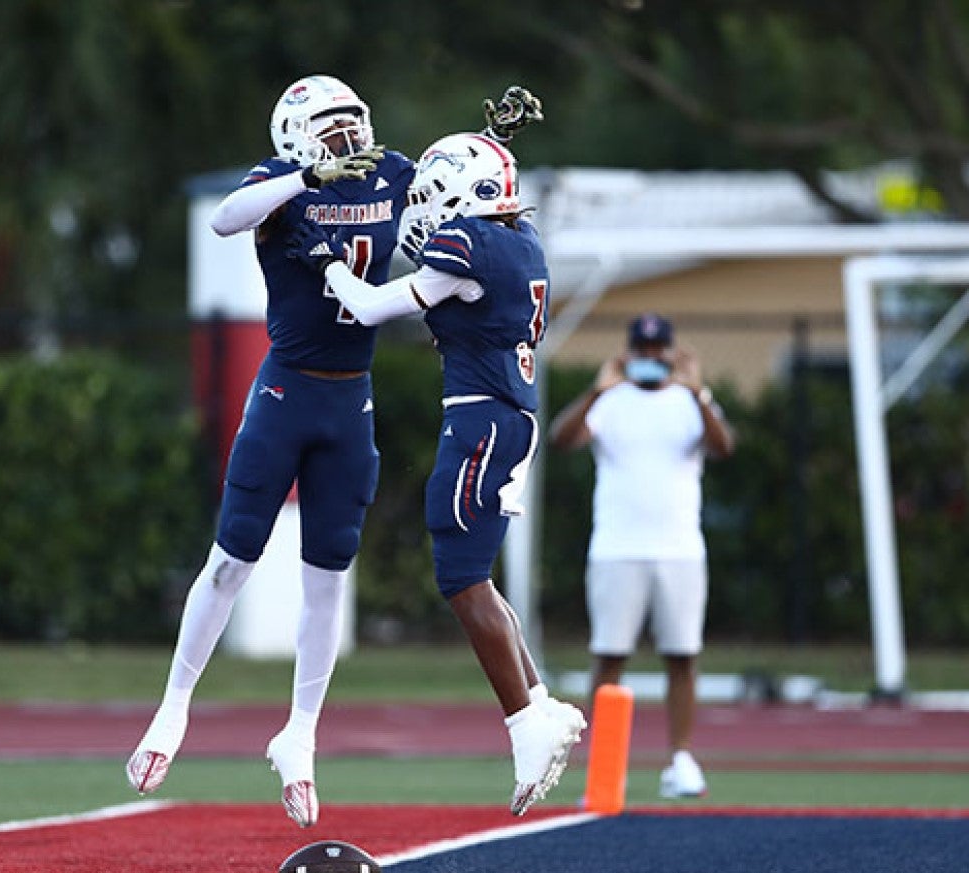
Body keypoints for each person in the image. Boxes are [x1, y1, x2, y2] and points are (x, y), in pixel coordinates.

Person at [126, 75, 545, 828]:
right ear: (293, 134)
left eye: (353, 121)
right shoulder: (278, 182)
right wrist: (303, 178)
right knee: (231, 561)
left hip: (352, 399)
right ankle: (174, 707)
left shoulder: (386, 171)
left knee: (327, 581)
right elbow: (226, 218)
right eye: (330, 126)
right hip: (284, 392)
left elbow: (450, 190)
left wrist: (493, 149)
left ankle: (301, 737)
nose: (348, 137)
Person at [285, 130, 586, 817]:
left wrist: (329, 264)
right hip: (508, 418)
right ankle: (538, 706)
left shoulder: (471, 246)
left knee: (460, 576)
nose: (425, 209)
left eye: (431, 193)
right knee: (474, 572)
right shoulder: (520, 241)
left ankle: (523, 725)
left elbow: (369, 307)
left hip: (482, 419)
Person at [547, 312, 736, 798]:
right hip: (616, 549)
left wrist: (697, 390)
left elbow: (723, 447)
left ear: (670, 352)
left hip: (679, 550)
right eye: (643, 350)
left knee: (682, 656)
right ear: (630, 352)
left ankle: (681, 759)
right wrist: (597, 390)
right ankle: (608, 767)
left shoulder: (689, 401)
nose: (651, 358)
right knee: (609, 656)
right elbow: (562, 439)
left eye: (658, 350)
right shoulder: (611, 402)